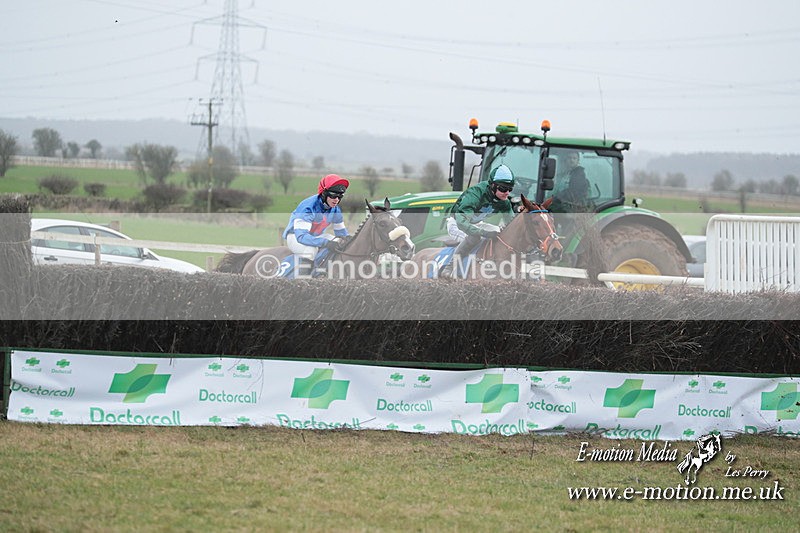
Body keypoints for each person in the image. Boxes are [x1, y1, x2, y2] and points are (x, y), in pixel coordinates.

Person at [439, 164, 516, 278]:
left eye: (510, 189)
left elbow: (511, 224)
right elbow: (462, 223)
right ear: (493, 186)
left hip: (477, 224)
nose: (507, 193)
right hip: (457, 224)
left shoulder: (504, 201)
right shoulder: (475, 194)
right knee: (474, 238)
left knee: (499, 233)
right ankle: (449, 267)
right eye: (503, 189)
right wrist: (483, 233)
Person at [282, 174, 350, 276]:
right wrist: (325, 243)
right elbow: (301, 237)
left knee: (337, 241)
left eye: (340, 196)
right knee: (310, 251)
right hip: (295, 237)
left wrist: (350, 240)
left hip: (315, 237)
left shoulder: (335, 210)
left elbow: (342, 234)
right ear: (324, 193)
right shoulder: (308, 207)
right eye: (333, 195)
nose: (336, 199)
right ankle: (302, 281)